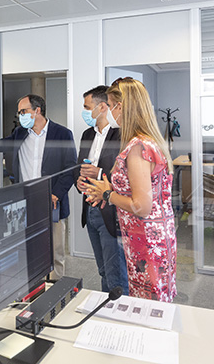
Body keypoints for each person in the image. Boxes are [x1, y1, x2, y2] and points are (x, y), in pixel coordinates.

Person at [84, 78, 176, 302]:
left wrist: (107, 193)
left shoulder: (138, 148)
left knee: (147, 304)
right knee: (153, 304)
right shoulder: (149, 142)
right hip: (152, 237)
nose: (111, 112)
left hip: (145, 240)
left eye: (112, 105)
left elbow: (141, 206)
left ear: (121, 107)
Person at [0, 94, 77, 279]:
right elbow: (3, 144)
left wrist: (56, 194)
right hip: (25, 199)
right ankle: (32, 285)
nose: (20, 116)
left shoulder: (62, 133)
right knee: (28, 246)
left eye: (23, 111)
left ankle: (55, 286)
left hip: (51, 200)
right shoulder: (20, 132)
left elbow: (70, 169)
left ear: (37, 111)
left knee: (55, 249)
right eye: (19, 112)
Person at [75, 85, 129, 295]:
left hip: (110, 211)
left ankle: (120, 314)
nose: (85, 112)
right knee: (103, 270)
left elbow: (125, 177)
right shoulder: (87, 134)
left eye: (87, 107)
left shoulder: (122, 136)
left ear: (103, 106)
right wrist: (78, 181)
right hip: (90, 209)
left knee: (116, 273)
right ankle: (107, 310)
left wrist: (98, 173)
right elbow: (78, 167)